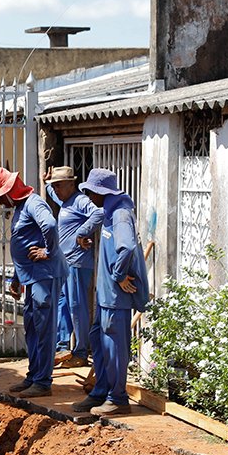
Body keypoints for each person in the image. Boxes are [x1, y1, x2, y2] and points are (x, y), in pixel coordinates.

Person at [72, 168, 149, 416]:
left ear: (100, 192)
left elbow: (126, 247)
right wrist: (82, 235)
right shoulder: (107, 211)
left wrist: (118, 275)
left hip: (115, 298)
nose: (88, 196)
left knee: (115, 348)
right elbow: (99, 227)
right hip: (104, 296)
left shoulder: (120, 214)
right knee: (99, 341)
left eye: (90, 192)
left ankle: (118, 398)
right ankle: (100, 391)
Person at [0, 166, 66, 398]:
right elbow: (23, 244)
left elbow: (50, 226)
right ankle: (34, 376)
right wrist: (16, 278)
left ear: (10, 192)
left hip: (45, 275)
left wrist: (49, 252)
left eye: (1, 198)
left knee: (44, 329)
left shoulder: (34, 203)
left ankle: (43, 382)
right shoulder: (22, 208)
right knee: (32, 327)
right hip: (32, 277)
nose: (1, 203)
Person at [45, 166, 102, 368]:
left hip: (78, 262)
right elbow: (53, 193)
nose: (56, 189)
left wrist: (82, 233)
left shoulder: (80, 200)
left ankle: (80, 352)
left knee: (77, 307)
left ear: (71, 184)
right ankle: (62, 348)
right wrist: (47, 183)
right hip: (65, 261)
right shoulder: (65, 200)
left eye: (59, 185)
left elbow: (99, 213)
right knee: (63, 305)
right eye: (55, 186)